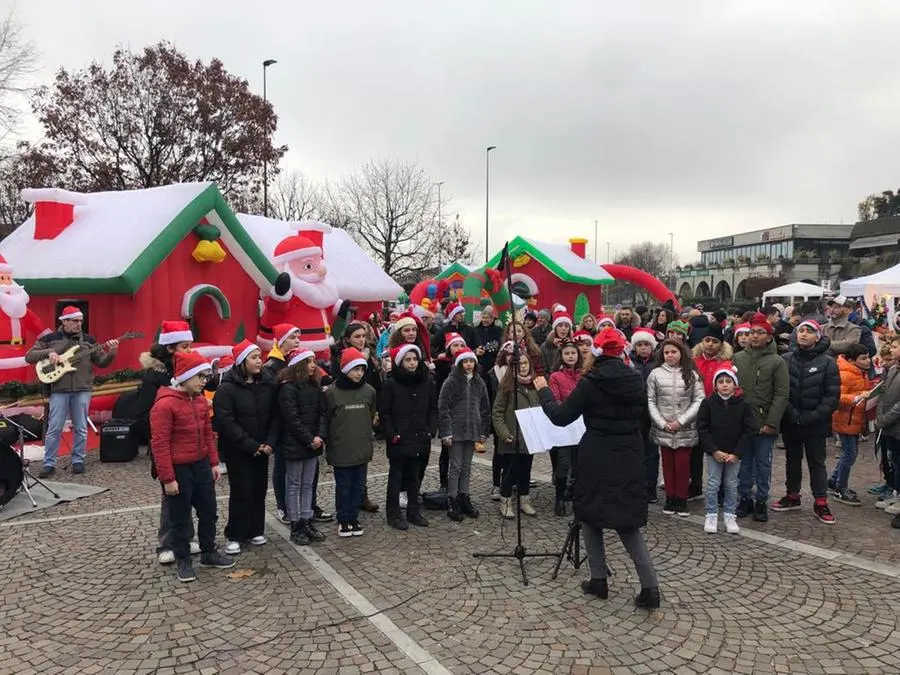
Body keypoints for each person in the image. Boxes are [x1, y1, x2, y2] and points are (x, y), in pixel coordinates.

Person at [534, 327, 660, 609]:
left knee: (590, 515)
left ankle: (599, 579)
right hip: (629, 453)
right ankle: (649, 586)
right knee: (627, 521)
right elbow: (643, 419)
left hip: (597, 454)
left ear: (596, 353)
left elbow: (560, 416)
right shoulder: (636, 379)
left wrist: (543, 391)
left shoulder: (591, 381)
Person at [150, 351, 234, 582]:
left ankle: (209, 552)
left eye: (205, 376)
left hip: (201, 465)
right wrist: (168, 478)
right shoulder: (165, 405)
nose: (204, 381)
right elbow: (160, 444)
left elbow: (208, 434)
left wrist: (214, 463)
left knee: (209, 512)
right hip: (179, 469)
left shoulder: (198, 401)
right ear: (185, 377)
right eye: (200, 377)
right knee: (179, 518)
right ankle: (183, 560)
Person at [26, 306, 119, 477]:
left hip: (82, 388)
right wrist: (49, 353)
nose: (79, 324)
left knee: (81, 427)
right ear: (64, 321)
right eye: (75, 321)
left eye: (80, 321)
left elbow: (102, 362)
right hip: (59, 389)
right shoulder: (50, 339)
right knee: (54, 428)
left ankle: (78, 460)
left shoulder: (89, 340)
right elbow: (29, 356)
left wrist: (112, 352)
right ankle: (49, 463)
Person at [214, 340, 278, 556]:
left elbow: (274, 417)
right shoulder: (227, 389)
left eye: (260, 357)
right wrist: (251, 445)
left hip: (263, 448)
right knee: (241, 492)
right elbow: (226, 422)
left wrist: (269, 442)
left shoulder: (267, 384)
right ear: (242, 362)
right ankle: (235, 534)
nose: (259, 361)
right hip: (239, 451)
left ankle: (255, 529)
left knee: (259, 490)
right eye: (254, 357)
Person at [772, 320, 840, 524]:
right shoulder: (785, 359)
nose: (803, 334)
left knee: (816, 462)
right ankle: (792, 495)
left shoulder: (828, 362)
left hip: (816, 423)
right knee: (792, 460)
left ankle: (820, 501)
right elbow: (781, 391)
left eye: (809, 331)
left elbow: (832, 396)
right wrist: (792, 413)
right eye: (800, 330)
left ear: (817, 336)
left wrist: (812, 416)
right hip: (792, 421)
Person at [733, 312, 789, 523]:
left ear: (768, 336)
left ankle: (761, 500)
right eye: (752, 332)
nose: (755, 336)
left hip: (765, 423)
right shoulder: (738, 358)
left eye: (760, 333)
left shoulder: (777, 362)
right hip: (743, 424)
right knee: (744, 464)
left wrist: (771, 422)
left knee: (763, 464)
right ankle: (744, 497)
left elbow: (781, 394)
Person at [380, 344, 436, 530]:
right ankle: (393, 513)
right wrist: (392, 434)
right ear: (400, 362)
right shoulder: (391, 383)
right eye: (408, 360)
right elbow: (385, 412)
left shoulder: (426, 381)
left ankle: (413, 510)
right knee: (396, 477)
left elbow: (432, 408)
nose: (412, 363)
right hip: (399, 437)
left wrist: (430, 429)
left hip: (420, 435)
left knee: (414, 476)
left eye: (414, 359)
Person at [647, 339, 705, 517]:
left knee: (682, 464)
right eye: (666, 352)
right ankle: (670, 497)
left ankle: (681, 497)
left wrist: (681, 421)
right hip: (663, 427)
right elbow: (650, 400)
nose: (670, 355)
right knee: (667, 464)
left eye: (674, 352)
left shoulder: (692, 374)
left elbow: (699, 399)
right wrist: (662, 423)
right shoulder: (655, 374)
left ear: (681, 353)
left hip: (684, 428)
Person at [278, 348, 328, 546]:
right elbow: (291, 418)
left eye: (314, 361)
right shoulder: (287, 389)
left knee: (308, 484)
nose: (313, 365)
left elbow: (322, 413)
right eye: (308, 362)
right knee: (294, 484)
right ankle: (296, 523)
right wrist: (309, 438)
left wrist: (320, 436)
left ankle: (307, 520)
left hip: (312, 442)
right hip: (295, 444)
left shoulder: (314, 386)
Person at [326, 348, 377, 537]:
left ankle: (353, 517)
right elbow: (328, 417)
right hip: (341, 448)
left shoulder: (369, 391)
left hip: (361, 447)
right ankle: (343, 519)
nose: (359, 373)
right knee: (344, 486)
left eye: (362, 370)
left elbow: (371, 414)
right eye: (355, 369)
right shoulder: (332, 392)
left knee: (357, 486)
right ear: (345, 369)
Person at [333, 321, 382, 513]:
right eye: (357, 337)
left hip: (366, 404)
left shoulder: (370, 355)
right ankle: (348, 505)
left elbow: (376, 383)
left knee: (362, 455)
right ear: (347, 339)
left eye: (363, 336)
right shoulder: (340, 357)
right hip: (348, 408)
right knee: (348, 462)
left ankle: (362, 495)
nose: (361, 340)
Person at [698, 369, 754, 535]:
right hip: (715, 452)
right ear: (715, 386)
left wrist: (737, 453)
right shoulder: (708, 403)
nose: (724, 385)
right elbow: (702, 428)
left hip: (734, 453)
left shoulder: (743, 405)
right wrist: (713, 450)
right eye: (720, 382)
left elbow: (748, 430)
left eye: (728, 382)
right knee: (713, 483)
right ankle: (711, 514)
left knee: (731, 484)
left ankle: (730, 514)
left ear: (734, 385)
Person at [438, 347, 490, 522]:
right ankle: (452, 498)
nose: (468, 364)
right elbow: (443, 407)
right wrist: (446, 432)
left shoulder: (479, 382)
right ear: (459, 363)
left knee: (467, 466)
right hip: (455, 429)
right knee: (456, 466)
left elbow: (485, 408)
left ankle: (464, 495)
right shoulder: (451, 382)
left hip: (472, 429)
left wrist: (484, 431)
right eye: (465, 361)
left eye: (471, 361)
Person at [493, 351, 542, 518]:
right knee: (509, 471)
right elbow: (497, 412)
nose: (522, 367)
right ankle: (505, 501)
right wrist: (504, 433)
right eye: (519, 364)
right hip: (512, 438)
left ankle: (524, 500)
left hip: (530, 437)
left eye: (525, 363)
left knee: (525, 471)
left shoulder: (535, 385)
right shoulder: (507, 386)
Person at [264, 323, 302, 524]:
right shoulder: (272, 366)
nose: (297, 341)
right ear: (282, 341)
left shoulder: (294, 361)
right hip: (280, 423)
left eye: (298, 337)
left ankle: (300, 504)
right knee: (281, 467)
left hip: (294, 423)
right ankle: (282, 505)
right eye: (293, 338)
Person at [828, 343, 872, 506]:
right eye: (864, 358)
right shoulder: (846, 374)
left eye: (868, 357)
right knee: (850, 455)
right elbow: (838, 396)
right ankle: (840, 487)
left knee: (849, 454)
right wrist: (858, 397)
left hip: (853, 419)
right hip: (845, 419)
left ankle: (834, 481)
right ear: (853, 360)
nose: (868, 361)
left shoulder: (861, 373)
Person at [548, 340, 582, 515]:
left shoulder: (584, 375)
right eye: (567, 353)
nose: (570, 356)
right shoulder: (555, 377)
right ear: (561, 356)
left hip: (582, 425)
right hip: (565, 425)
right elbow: (555, 399)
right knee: (563, 463)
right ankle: (559, 498)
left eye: (573, 353)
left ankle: (575, 495)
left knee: (579, 464)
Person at [630, 328, 659, 502]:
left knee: (652, 453)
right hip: (635, 413)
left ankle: (650, 486)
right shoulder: (630, 363)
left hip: (653, 413)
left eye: (646, 345)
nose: (643, 348)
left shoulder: (657, 363)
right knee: (634, 451)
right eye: (639, 345)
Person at [876, 336, 900, 528]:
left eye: (895, 346)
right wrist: (880, 417)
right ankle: (896, 491)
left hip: (895, 423)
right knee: (895, 460)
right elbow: (883, 394)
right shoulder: (893, 370)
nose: (891, 350)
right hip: (890, 426)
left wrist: (885, 418)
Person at [486, 341, 513, 501]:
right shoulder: (493, 374)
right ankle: (497, 483)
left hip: (515, 417)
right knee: (499, 452)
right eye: (508, 354)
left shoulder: (521, 373)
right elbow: (489, 397)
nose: (510, 357)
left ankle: (511, 482)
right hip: (498, 417)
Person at [475, 305, 503, 377]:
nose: (484, 320)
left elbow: (500, 345)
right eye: (483, 317)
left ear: (492, 319)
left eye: (486, 318)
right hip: (477, 362)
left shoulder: (498, 330)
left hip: (492, 362)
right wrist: (476, 351)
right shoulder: (475, 329)